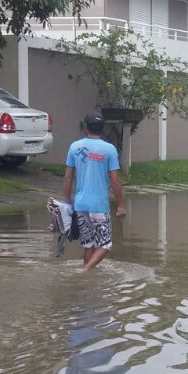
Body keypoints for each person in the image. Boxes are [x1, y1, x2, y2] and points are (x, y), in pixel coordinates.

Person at [63, 113, 125, 272]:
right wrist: (120, 205)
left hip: (80, 205)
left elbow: (68, 178)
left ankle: (89, 283)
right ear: (102, 129)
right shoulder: (109, 149)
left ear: (85, 127)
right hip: (99, 206)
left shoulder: (74, 147)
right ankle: (85, 272)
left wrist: (67, 202)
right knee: (105, 245)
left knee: (89, 245)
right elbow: (115, 180)